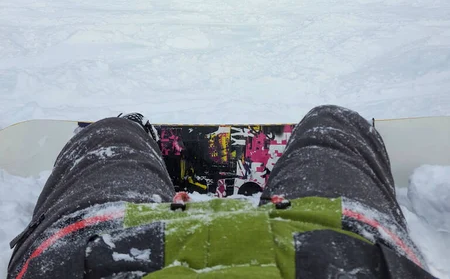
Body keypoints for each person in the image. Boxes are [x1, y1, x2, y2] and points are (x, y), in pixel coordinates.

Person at [8, 106, 435, 279]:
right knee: (336, 125)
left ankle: (126, 132)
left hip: (95, 252)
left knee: (111, 140)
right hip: (347, 252)